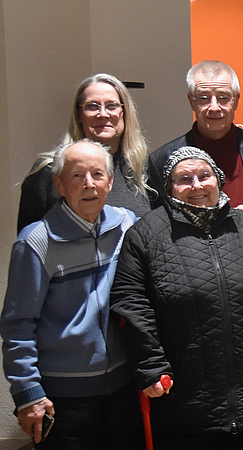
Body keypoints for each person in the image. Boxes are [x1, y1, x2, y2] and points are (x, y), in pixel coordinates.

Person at [111, 146, 243, 448]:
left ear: (218, 180)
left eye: (205, 175)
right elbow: (131, 302)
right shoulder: (144, 235)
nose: (196, 185)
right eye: (184, 179)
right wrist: (150, 364)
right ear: (168, 188)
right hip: (183, 406)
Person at [2, 140, 142, 448]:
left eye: (97, 174)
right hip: (62, 397)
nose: (89, 184)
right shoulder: (36, 242)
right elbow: (18, 326)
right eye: (78, 175)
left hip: (122, 389)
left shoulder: (127, 225)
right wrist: (28, 394)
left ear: (110, 182)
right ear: (59, 185)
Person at [147, 60, 243, 225]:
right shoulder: (162, 159)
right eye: (204, 98)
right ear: (191, 101)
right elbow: (159, 224)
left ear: (236, 100)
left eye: (223, 98)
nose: (214, 107)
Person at [18, 74, 152, 233]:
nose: (103, 114)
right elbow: (28, 238)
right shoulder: (50, 171)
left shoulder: (143, 169)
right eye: (93, 106)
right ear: (79, 115)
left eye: (112, 106)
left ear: (125, 112)